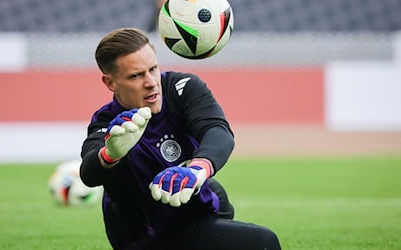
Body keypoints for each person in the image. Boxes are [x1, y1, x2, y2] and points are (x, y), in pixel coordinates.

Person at [79, 27, 281, 250]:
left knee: (217, 195)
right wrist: (110, 154)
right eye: (136, 75)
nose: (151, 82)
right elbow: (89, 173)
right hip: (148, 233)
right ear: (110, 83)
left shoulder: (181, 88)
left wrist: (196, 170)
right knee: (263, 242)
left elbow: (217, 131)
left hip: (189, 216)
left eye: (153, 69)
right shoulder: (108, 122)